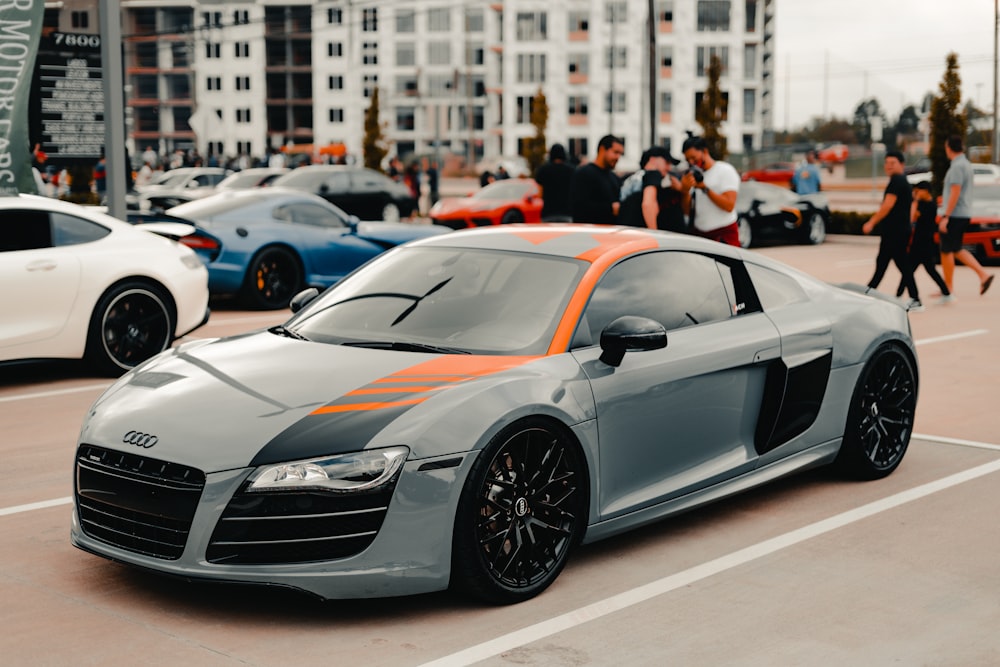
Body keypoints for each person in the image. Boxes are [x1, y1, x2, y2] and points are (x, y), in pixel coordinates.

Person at [862, 150, 921, 310]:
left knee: (893, 263)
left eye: (893, 163)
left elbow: (888, 205)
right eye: (887, 163)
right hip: (898, 230)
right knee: (887, 263)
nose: (889, 166)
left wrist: (871, 222)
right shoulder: (902, 181)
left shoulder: (897, 181)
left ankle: (867, 293)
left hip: (895, 231)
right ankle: (868, 292)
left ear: (901, 164)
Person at [938, 135, 994, 296]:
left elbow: (955, 191)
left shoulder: (956, 167)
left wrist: (946, 216)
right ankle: (983, 275)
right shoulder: (966, 164)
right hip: (962, 212)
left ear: (949, 148)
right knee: (955, 249)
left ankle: (948, 288)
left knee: (947, 250)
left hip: (955, 214)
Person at [680, 134, 741, 245]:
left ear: (705, 151)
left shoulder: (725, 170)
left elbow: (729, 205)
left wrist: (705, 189)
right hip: (701, 235)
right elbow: (687, 211)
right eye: (688, 160)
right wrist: (684, 190)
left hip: (724, 234)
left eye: (694, 158)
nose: (691, 162)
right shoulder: (692, 175)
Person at [896, 181, 951, 302]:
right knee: (912, 270)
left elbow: (912, 217)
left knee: (915, 270)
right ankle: (946, 293)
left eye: (918, 191)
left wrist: (915, 201)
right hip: (918, 242)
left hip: (925, 242)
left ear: (925, 190)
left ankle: (900, 295)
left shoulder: (931, 205)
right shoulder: (921, 203)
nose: (916, 194)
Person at [618, 146, 680, 229]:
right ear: (652, 160)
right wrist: (655, 233)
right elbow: (648, 205)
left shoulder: (633, 177)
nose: (669, 168)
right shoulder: (652, 175)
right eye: (667, 162)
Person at [570, 134, 624, 223]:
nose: (618, 157)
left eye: (620, 154)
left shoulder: (614, 178)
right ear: (602, 149)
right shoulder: (583, 174)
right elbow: (578, 208)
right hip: (588, 233)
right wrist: (610, 209)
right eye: (615, 152)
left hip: (611, 234)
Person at [534, 143, 575, 222]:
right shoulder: (572, 170)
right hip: (567, 213)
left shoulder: (543, 170)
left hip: (548, 213)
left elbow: (540, 194)